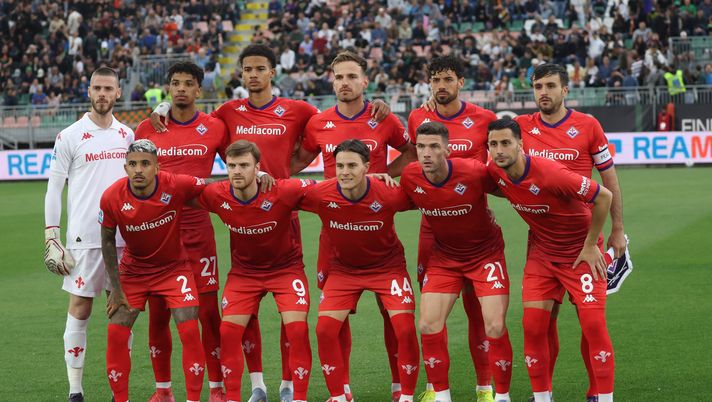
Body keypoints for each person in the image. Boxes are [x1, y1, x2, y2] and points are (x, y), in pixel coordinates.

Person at [148, 44, 391, 402]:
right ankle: (257, 384)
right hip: (243, 216)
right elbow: (192, 122)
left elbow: (334, 123)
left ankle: (289, 386)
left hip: (283, 215)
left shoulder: (298, 111)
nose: (253, 75)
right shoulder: (227, 113)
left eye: (260, 68)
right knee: (247, 304)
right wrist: (165, 105)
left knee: (287, 308)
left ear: (272, 72)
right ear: (242, 74)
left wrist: (374, 108)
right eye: (247, 69)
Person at [291, 51, 417, 401]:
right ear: (332, 82)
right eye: (338, 77)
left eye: (351, 77)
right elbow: (299, 160)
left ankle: (399, 389)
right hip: (334, 234)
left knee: (396, 320)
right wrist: (266, 177)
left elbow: (410, 152)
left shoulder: (384, 119)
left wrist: (385, 176)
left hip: (378, 226)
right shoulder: (319, 122)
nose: (344, 83)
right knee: (333, 322)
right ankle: (341, 391)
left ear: (364, 81)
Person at [514, 63, 626, 402]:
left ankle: (598, 393)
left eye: (550, 86)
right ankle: (542, 394)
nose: (543, 93)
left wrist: (617, 229)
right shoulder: (521, 127)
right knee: (539, 324)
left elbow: (609, 180)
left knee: (590, 322)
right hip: (542, 245)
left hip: (584, 244)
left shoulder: (588, 125)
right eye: (537, 87)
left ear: (566, 90)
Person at [487, 118, 615, 402]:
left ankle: (605, 398)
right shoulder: (495, 171)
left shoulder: (551, 173)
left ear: (521, 144)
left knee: (593, 325)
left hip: (581, 251)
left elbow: (603, 197)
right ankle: (543, 398)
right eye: (493, 144)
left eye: (506, 143)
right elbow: (472, 182)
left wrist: (593, 243)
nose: (499, 150)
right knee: (533, 326)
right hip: (543, 254)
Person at [134, 61, 229, 402]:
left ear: (199, 90)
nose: (181, 89)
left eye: (189, 84)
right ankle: (163, 390)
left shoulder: (215, 127)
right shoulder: (148, 128)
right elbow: (135, 176)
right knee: (159, 315)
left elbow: (235, 163)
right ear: (168, 88)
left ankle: (216, 388)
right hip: (158, 235)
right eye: (176, 83)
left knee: (207, 313)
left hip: (198, 233)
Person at [299, 139, 420, 402]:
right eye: (340, 165)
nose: (345, 171)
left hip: (388, 268)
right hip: (344, 271)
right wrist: (261, 176)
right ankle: (339, 395)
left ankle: (405, 394)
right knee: (325, 330)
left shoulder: (388, 193)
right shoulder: (321, 193)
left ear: (366, 167)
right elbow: (283, 194)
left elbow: (424, 199)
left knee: (405, 327)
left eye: (352, 165)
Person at [195, 140, 315, 402]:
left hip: (286, 270)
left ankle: (293, 392)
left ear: (258, 167)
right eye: (232, 165)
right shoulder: (217, 195)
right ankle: (252, 390)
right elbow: (181, 189)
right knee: (227, 332)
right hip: (244, 273)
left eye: (245, 166)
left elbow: (325, 188)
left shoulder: (283, 190)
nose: (237, 171)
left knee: (296, 329)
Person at [401, 122, 512, 402]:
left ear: (447, 150)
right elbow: (389, 196)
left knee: (495, 325)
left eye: (434, 147)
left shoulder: (473, 172)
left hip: (485, 254)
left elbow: (510, 188)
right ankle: (441, 395)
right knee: (427, 324)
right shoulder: (411, 175)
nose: (426, 153)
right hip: (445, 258)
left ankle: (501, 396)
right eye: (421, 147)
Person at [43, 67, 134, 402]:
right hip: (84, 239)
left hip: (124, 239)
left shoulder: (127, 136)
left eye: (108, 88)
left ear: (118, 92)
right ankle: (75, 390)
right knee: (80, 308)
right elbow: (54, 188)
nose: (102, 94)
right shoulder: (69, 136)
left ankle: (118, 392)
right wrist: (52, 235)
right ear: (88, 91)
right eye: (97, 88)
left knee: (123, 312)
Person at [416, 55, 499, 402]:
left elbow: (494, 170)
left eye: (448, 79)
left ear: (461, 82)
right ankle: (436, 388)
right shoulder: (418, 117)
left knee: (477, 312)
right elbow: (414, 163)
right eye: (435, 79)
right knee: (430, 313)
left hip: (473, 227)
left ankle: (484, 388)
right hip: (431, 230)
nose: (441, 86)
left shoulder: (485, 119)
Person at [99, 139, 208, 402]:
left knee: (190, 329)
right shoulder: (112, 197)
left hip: (174, 269)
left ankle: (192, 399)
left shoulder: (176, 184)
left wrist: (256, 179)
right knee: (116, 332)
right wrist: (115, 288)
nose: (138, 169)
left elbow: (214, 190)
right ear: (125, 167)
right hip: (134, 272)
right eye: (133, 164)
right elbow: (107, 242)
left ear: (157, 167)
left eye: (145, 164)